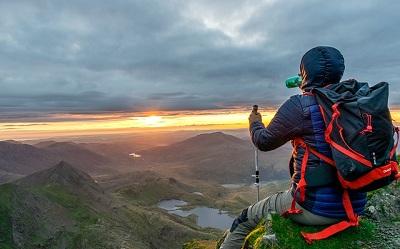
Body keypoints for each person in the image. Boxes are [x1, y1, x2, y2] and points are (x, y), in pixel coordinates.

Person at [219, 46, 367, 249]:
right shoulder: (356, 102)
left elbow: (264, 141)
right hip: (357, 203)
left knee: (245, 219)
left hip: (315, 208)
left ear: (305, 72)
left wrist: (254, 122)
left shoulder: (301, 105)